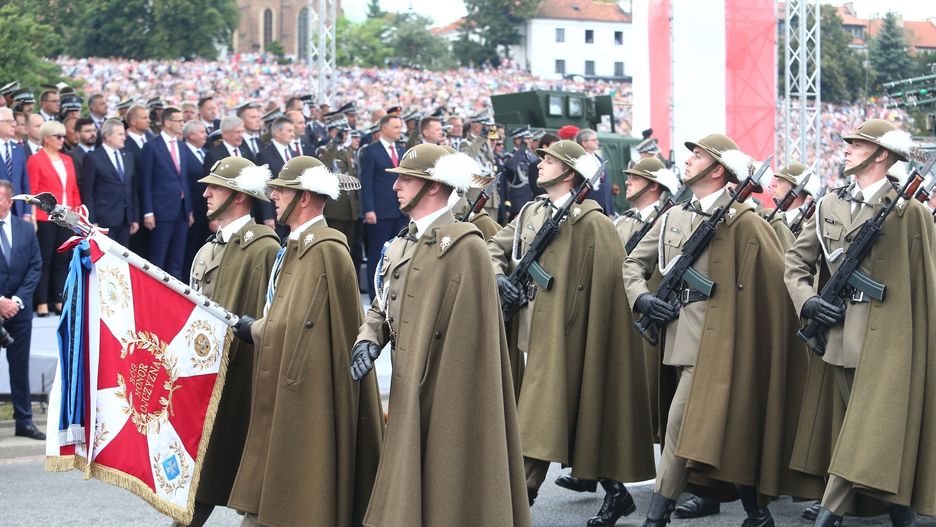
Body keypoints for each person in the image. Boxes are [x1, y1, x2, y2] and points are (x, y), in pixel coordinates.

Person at [623, 134, 824, 527]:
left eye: (698, 156)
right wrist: (641, 299)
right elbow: (633, 264)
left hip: (722, 348)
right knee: (720, 433)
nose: (687, 161)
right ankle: (757, 513)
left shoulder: (745, 223)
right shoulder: (673, 217)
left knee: (683, 428)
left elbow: (775, 283)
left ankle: (655, 518)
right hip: (678, 341)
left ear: (718, 170)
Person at [350, 143, 530, 526]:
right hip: (407, 381)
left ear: (433, 186)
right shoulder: (402, 241)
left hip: (445, 392)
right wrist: (369, 337)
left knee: (448, 489)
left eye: (406, 179)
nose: (396, 186)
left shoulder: (465, 245)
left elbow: (472, 341)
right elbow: (384, 301)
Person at [490, 140, 656, 526]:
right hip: (532, 328)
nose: (539, 165)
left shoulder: (594, 223)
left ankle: (517, 505)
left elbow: (608, 291)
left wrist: (587, 337)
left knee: (537, 418)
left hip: (571, 337)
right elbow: (493, 248)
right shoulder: (532, 211)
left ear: (569, 172)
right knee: (574, 418)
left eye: (549, 161)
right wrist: (499, 278)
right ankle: (616, 494)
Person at [785, 119, 936, 527]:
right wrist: (810, 302)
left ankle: (828, 516)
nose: (846, 147)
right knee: (867, 433)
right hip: (837, 336)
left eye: (856, 143)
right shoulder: (829, 205)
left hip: (889, 341)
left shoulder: (909, 212)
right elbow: (796, 264)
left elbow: (924, 283)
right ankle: (901, 512)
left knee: (864, 431)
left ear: (881, 154)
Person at [227, 156, 383, 527]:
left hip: (307, 392)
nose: (273, 195)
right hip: (283, 383)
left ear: (306, 198)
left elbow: (313, 329)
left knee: (298, 492)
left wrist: (258, 330)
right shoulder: (297, 246)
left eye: (282, 190)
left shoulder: (326, 249)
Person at [176, 157, 280, 527]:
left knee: (249, 472)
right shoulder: (208, 249)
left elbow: (269, 315)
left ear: (238, 196)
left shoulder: (264, 248)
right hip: (206, 375)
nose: (205, 193)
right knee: (203, 473)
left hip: (244, 379)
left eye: (215, 187)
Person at [0, 180, 44, 439]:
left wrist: (16, 301)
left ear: (8, 201)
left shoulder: (26, 229)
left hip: (19, 310)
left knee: (19, 366)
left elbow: (35, 266)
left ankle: (24, 421)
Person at [27, 119, 81, 317]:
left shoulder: (67, 160)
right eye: (57, 136)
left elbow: (74, 190)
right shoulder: (35, 160)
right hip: (44, 217)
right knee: (44, 260)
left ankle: (58, 298)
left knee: (62, 259)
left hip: (66, 217)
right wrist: (33, 217)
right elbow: (33, 192)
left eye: (63, 136)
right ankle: (42, 301)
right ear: (46, 138)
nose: (62, 140)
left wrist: (76, 215)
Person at [139, 107, 193, 280]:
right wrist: (148, 212)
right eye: (179, 121)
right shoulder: (151, 147)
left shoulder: (183, 147)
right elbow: (145, 182)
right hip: (161, 211)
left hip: (182, 211)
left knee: (177, 258)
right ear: (167, 123)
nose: (182, 124)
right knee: (158, 258)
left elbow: (185, 180)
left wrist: (189, 209)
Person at [359, 114, 407, 299]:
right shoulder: (371, 151)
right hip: (380, 212)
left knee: (400, 252)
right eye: (395, 127)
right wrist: (369, 209)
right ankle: (375, 296)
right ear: (384, 129)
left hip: (400, 211)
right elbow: (367, 182)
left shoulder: (402, 150)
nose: (399, 130)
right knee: (377, 255)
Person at [79, 118, 138, 246]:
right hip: (104, 220)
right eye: (120, 134)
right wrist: (92, 221)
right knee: (106, 262)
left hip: (126, 220)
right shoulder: (93, 158)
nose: (124, 137)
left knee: (123, 260)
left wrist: (134, 218)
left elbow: (132, 190)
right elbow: (87, 192)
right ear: (108, 136)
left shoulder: (128, 157)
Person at [575, 128, 615, 215]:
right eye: (594, 140)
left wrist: (610, 208)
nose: (597, 142)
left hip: (604, 205)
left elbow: (604, 183)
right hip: (588, 205)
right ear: (584, 143)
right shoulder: (579, 160)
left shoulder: (599, 159)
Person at [0, 108, 31, 218]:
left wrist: (27, 212)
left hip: (18, 211)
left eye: (14, 121)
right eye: (9, 121)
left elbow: (25, 183)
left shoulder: (18, 149)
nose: (14, 125)